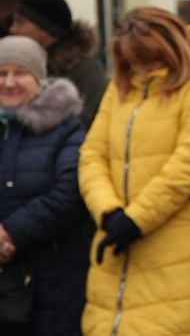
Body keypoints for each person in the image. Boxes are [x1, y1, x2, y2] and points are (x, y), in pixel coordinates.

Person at [78, 7, 190, 335]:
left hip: (180, 246)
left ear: (170, 50)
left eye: (148, 60)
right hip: (117, 239)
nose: (141, 70)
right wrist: (108, 211)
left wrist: (136, 219)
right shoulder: (121, 87)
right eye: (133, 62)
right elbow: (92, 154)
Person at [0, 36, 89, 336]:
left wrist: (10, 233)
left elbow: (69, 192)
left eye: (20, 73)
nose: (9, 82)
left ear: (39, 79)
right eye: (1, 73)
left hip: (54, 280)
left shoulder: (68, 129)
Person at [10, 0, 108, 129]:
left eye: (20, 22)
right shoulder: (19, 66)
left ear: (46, 29)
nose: (13, 29)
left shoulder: (85, 69)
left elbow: (94, 119)